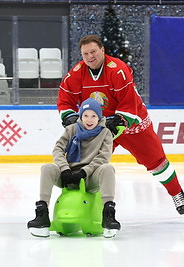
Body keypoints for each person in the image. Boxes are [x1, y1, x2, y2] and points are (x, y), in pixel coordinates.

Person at [57, 34, 184, 216]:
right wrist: (70, 117)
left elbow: (129, 101)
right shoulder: (76, 74)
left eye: (93, 51)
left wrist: (119, 121)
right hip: (99, 125)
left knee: (156, 162)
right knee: (84, 163)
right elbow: (65, 100)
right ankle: (81, 205)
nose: (90, 57)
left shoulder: (117, 70)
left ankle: (176, 193)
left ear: (102, 50)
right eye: (85, 53)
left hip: (131, 122)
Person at [28, 97, 120, 238]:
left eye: (93, 116)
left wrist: (85, 172)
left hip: (90, 177)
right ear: (81, 116)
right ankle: (42, 213)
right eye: (86, 116)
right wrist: (64, 169)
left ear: (99, 117)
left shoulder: (105, 133)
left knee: (108, 168)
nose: (89, 120)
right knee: (47, 168)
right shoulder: (72, 130)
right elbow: (58, 149)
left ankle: (108, 214)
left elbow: (103, 157)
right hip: (68, 175)